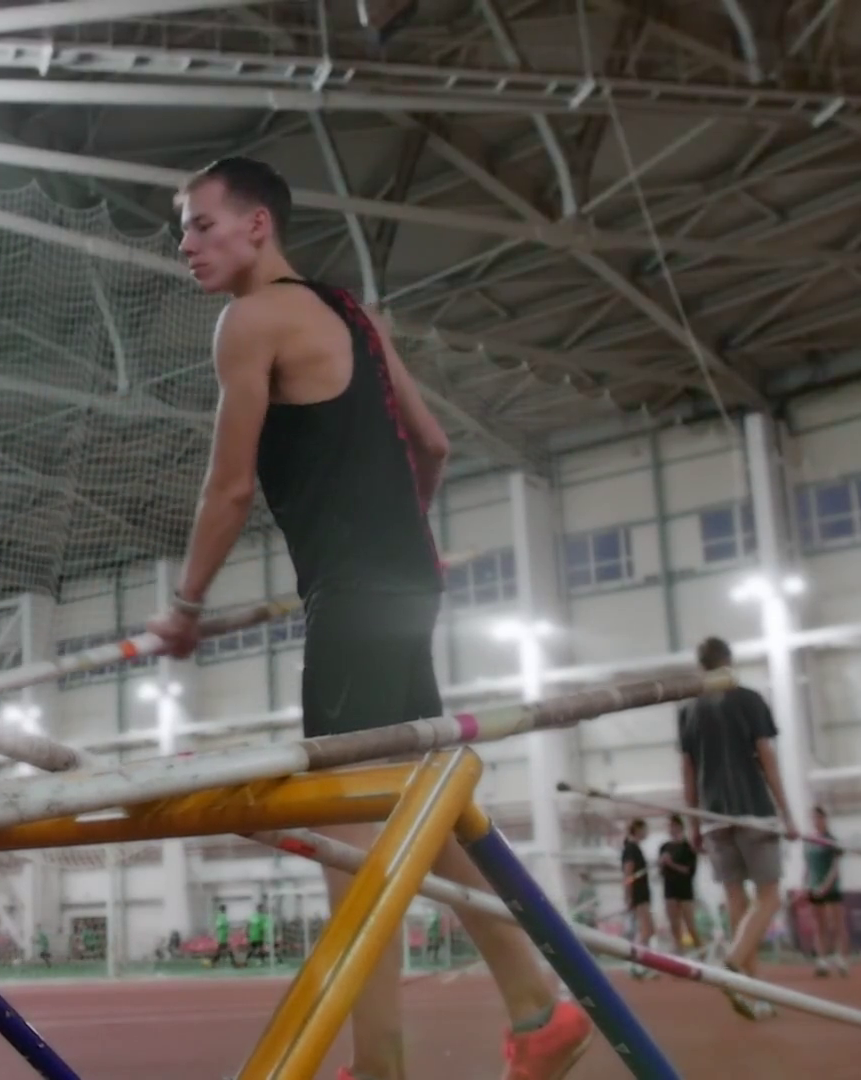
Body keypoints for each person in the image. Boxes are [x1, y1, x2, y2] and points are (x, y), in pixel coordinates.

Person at [146, 155, 589, 1080]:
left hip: (352, 596)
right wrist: (403, 537)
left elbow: (229, 488)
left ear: (258, 224)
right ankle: (532, 1009)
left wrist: (184, 609)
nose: (184, 244)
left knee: (346, 834)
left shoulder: (250, 320)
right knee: (418, 814)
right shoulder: (354, 313)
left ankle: (384, 1060)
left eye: (200, 224)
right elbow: (432, 445)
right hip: (403, 588)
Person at [678, 636, 800, 1020]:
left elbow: (688, 771)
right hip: (752, 812)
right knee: (770, 896)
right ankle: (732, 963)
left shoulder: (688, 710)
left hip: (713, 817)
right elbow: (766, 757)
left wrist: (693, 822)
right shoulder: (749, 700)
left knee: (736, 899)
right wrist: (787, 813)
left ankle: (753, 993)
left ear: (701, 667)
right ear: (729, 662)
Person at [803, 805, 849, 976]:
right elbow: (807, 865)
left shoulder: (832, 840)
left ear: (824, 819)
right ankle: (822, 960)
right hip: (813, 887)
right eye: (813, 818)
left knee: (837, 925)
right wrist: (805, 884)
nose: (816, 821)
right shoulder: (808, 841)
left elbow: (835, 867)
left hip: (831, 888)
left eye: (819, 817)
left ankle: (841, 959)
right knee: (819, 925)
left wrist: (826, 885)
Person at [657, 814, 700, 956]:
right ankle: (680, 954)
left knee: (690, 926)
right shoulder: (664, 847)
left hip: (685, 890)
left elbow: (689, 871)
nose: (671, 829)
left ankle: (702, 953)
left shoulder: (688, 847)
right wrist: (661, 864)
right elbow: (661, 872)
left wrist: (671, 864)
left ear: (679, 827)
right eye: (669, 826)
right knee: (674, 926)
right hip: (669, 889)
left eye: (673, 826)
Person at [621, 819, 654, 977]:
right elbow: (628, 874)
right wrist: (628, 896)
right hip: (638, 894)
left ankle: (641, 964)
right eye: (645, 829)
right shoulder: (631, 848)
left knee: (648, 930)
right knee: (646, 930)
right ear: (638, 830)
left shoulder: (636, 848)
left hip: (642, 893)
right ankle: (639, 965)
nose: (646, 833)